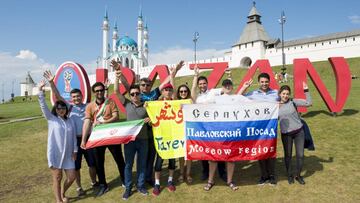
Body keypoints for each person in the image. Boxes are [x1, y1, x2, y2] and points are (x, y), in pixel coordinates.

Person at [111, 59, 184, 186]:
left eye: (148, 85)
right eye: (143, 85)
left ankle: (148, 177)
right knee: (142, 157)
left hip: (154, 129)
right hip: (140, 131)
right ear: (139, 87)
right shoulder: (136, 95)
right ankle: (143, 178)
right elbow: (125, 83)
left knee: (150, 156)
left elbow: (166, 82)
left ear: (151, 85)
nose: (145, 87)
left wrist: (175, 70)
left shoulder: (154, 93)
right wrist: (119, 70)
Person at [43, 70, 97, 196]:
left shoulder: (88, 106)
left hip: (88, 139)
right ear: (71, 98)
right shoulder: (69, 107)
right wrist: (51, 82)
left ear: (81, 96)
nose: (76, 98)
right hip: (75, 142)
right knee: (76, 166)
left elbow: (100, 107)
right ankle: (79, 188)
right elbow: (58, 96)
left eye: (78, 96)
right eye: (74, 97)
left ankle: (94, 183)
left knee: (92, 164)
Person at [80, 82, 125, 197]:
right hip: (97, 137)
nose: (99, 92)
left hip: (111, 135)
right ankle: (103, 185)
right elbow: (86, 122)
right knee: (99, 163)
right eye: (97, 91)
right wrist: (83, 140)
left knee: (119, 159)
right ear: (94, 92)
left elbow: (116, 116)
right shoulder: (90, 106)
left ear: (104, 91)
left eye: (101, 90)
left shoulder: (110, 102)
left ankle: (125, 180)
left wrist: (104, 122)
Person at [113, 68, 151, 200]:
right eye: (132, 94)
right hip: (129, 141)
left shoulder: (147, 106)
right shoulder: (127, 104)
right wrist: (117, 77)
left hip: (143, 140)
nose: (135, 96)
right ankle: (128, 188)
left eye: (137, 93)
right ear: (130, 96)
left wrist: (149, 120)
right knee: (128, 164)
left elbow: (153, 121)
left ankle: (140, 185)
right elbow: (116, 91)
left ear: (140, 94)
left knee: (141, 164)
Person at [37, 80, 77, 203]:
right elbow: (43, 106)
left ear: (66, 109)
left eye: (63, 107)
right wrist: (40, 91)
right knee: (57, 177)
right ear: (56, 109)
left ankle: (62, 193)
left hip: (69, 155)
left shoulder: (70, 120)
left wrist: (75, 150)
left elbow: (74, 136)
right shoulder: (52, 119)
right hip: (56, 154)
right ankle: (59, 200)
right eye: (58, 108)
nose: (61, 110)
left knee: (71, 177)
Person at [240, 72, 279, 185]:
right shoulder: (253, 93)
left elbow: (284, 100)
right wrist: (244, 87)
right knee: (261, 150)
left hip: (271, 126)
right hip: (258, 127)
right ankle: (264, 175)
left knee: (270, 150)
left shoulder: (275, 93)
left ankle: (271, 176)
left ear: (269, 82)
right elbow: (238, 98)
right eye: (262, 82)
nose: (264, 84)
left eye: (266, 81)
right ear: (259, 82)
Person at [191, 65, 227, 182]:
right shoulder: (197, 97)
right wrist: (195, 75)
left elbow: (226, 90)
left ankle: (222, 172)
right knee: (204, 150)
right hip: (202, 127)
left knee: (219, 148)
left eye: (203, 83)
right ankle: (205, 171)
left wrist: (229, 77)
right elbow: (192, 93)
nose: (202, 86)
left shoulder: (213, 92)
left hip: (215, 125)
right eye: (200, 84)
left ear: (207, 83)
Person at [204, 79, 240, 191]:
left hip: (231, 132)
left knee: (230, 158)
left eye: (230, 85)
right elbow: (203, 105)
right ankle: (210, 181)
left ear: (232, 87)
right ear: (222, 87)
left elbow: (250, 104)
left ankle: (230, 181)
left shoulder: (236, 98)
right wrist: (186, 107)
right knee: (213, 158)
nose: (228, 87)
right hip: (217, 131)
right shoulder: (215, 98)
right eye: (225, 85)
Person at [278, 83, 312, 185]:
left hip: (299, 132)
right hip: (286, 134)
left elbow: (309, 103)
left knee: (300, 155)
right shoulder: (275, 106)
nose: (285, 96)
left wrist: (306, 90)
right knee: (288, 156)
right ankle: (289, 175)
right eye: (283, 94)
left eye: (287, 94)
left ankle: (298, 175)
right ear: (280, 94)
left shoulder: (293, 102)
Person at [151, 83, 177, 196]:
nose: (168, 91)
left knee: (172, 160)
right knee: (159, 160)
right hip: (161, 136)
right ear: (162, 92)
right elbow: (150, 111)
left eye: (170, 90)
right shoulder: (157, 104)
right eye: (165, 90)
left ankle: (170, 181)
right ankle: (157, 183)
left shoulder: (176, 103)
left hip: (173, 136)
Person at [176, 84, 193, 184]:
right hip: (178, 131)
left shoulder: (190, 102)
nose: (183, 93)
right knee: (181, 154)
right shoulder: (174, 102)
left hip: (189, 130)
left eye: (185, 91)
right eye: (181, 91)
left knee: (189, 154)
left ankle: (188, 174)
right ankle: (181, 173)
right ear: (178, 93)